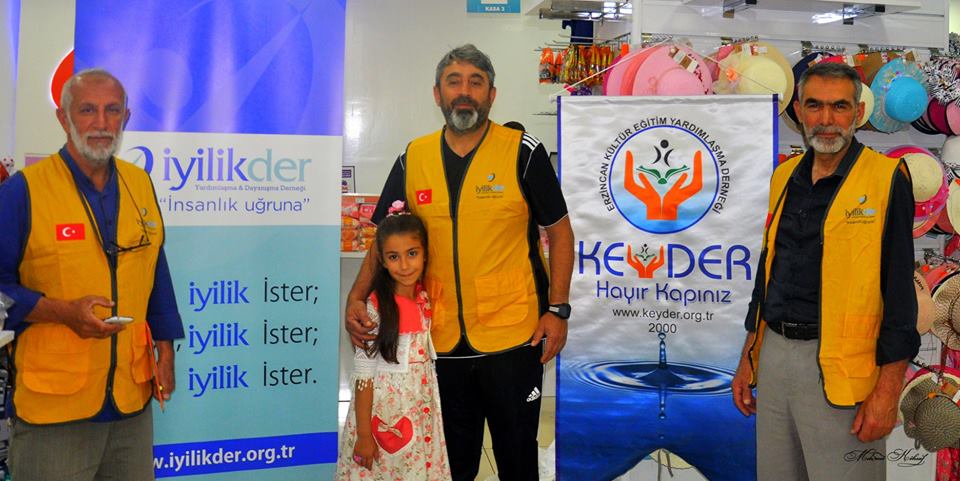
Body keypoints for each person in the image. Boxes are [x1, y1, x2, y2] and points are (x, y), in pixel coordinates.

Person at [345, 44, 574, 481]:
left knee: (517, 459)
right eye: (454, 82)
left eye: (476, 82)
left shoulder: (522, 152)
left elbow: (561, 232)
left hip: (515, 337)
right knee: (451, 464)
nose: (464, 91)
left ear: (492, 95)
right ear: (437, 94)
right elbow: (383, 239)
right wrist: (356, 297)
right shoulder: (413, 157)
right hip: (439, 341)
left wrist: (558, 309)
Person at [730, 61, 919, 481]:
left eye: (840, 106)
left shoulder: (886, 178)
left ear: (858, 112)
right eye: (815, 105)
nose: (827, 119)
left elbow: (900, 297)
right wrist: (748, 357)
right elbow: (768, 276)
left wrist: (887, 391)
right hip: (776, 357)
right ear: (799, 110)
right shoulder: (784, 177)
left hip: (846, 371)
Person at [0, 68, 184, 481]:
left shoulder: (140, 184)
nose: (101, 123)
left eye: (112, 111)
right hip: (54, 410)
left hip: (130, 403)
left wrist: (167, 350)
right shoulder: (23, 191)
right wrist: (61, 312)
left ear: (126, 118)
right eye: (87, 110)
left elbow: (155, 270)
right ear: (63, 118)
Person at [336, 203, 452, 480]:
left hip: (420, 409)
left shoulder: (424, 298)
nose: (404, 265)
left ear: (425, 253)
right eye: (393, 257)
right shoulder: (374, 309)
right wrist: (365, 434)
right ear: (382, 260)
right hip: (383, 414)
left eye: (412, 253)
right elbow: (364, 376)